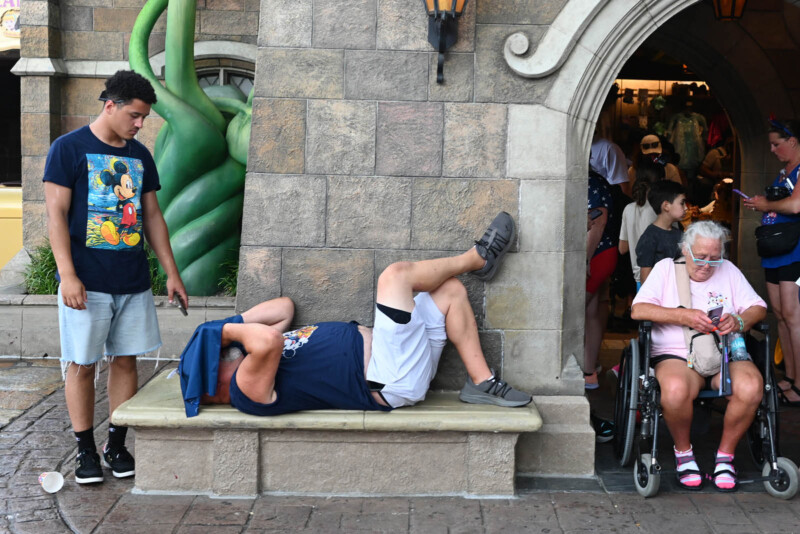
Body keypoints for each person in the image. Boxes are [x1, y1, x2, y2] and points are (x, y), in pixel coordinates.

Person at [180, 212, 532, 419]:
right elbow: (269, 338)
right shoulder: (244, 391)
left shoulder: (252, 360)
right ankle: (477, 259)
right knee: (395, 277)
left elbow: (283, 308)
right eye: (219, 355)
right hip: (388, 377)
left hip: (395, 358)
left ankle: (482, 382)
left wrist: (227, 328)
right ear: (213, 381)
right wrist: (223, 330)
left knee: (450, 291)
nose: (226, 350)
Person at [44, 71, 188, 485]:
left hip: (132, 280)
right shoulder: (68, 148)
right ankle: (85, 450)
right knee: (83, 364)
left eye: (144, 117)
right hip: (85, 284)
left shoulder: (139, 155)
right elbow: (55, 214)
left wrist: (171, 273)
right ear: (111, 105)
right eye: (136, 115)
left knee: (126, 361)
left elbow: (153, 216)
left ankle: (116, 444)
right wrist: (67, 275)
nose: (140, 124)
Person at [632, 221, 767, 491]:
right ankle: (684, 454)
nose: (707, 265)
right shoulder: (666, 269)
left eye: (715, 258)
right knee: (675, 389)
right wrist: (682, 315)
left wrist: (739, 321)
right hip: (677, 354)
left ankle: (725, 458)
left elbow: (757, 308)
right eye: (700, 257)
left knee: (752, 387)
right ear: (685, 249)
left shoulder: (728, 271)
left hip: (724, 353)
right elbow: (638, 310)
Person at [743, 118, 800, 406]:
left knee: (793, 315)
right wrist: (761, 202)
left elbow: (795, 205)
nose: (772, 149)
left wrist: (765, 204)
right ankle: (790, 376)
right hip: (776, 248)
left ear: (792, 141)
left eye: (777, 144)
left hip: (795, 250)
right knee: (779, 315)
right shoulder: (782, 172)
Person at [584, 172, 618, 389]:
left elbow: (599, 221)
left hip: (596, 253)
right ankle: (589, 371)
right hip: (601, 252)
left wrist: (585, 259)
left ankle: (586, 371)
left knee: (575, 311)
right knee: (591, 312)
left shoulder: (590, 181)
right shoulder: (594, 179)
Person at [620, 159, 663, 290]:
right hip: (660, 279)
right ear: (661, 181)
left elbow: (623, 248)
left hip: (639, 278)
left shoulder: (628, 209)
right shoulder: (663, 209)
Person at [635, 180, 687, 283]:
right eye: (682, 203)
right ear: (666, 206)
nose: (686, 208)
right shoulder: (649, 238)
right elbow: (645, 279)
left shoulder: (680, 234)